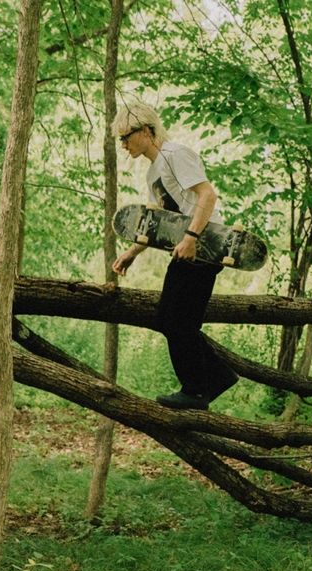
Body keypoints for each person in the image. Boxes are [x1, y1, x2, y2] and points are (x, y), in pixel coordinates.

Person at [111, 101, 238, 411]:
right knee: (170, 318)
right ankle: (217, 376)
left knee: (176, 320)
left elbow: (207, 195)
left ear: (145, 130)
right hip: (188, 248)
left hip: (205, 246)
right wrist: (131, 253)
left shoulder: (175, 155)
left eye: (126, 137)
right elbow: (159, 223)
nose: (123, 145)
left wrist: (192, 237)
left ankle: (196, 390)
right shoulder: (154, 172)